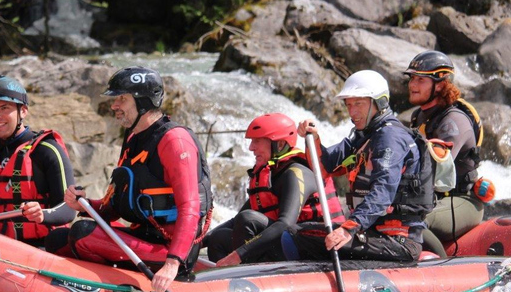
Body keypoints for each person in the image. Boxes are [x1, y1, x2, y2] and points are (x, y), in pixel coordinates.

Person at [46, 66, 213, 292]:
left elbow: (190, 208)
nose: (114, 106)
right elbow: (115, 206)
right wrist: (85, 205)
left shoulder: (174, 141)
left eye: (121, 99)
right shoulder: (134, 138)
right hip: (142, 238)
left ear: (142, 102)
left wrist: (173, 263)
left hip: (169, 250)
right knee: (57, 238)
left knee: (82, 233)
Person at [284, 70, 433, 263]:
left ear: (379, 103)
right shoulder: (362, 136)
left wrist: (349, 228)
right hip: (371, 232)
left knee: (297, 238)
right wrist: (314, 139)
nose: (352, 112)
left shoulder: (390, 138)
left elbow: (383, 191)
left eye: (359, 104)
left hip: (397, 240)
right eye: (348, 105)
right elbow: (323, 169)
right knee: (295, 231)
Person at [204, 113, 345, 266]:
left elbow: (285, 223)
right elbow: (235, 221)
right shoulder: (271, 172)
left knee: (248, 220)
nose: (251, 147)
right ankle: (227, 280)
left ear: (279, 144)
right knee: (218, 238)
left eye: (257, 141)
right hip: (291, 242)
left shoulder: (296, 172)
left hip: (315, 245)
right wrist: (199, 242)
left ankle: (248, 276)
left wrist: (238, 255)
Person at [0, 74, 76, 247]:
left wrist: (43, 214)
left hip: (41, 249)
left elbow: (69, 208)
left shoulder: (47, 151)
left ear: (23, 110)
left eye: (4, 108)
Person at [405, 50, 487, 255]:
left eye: (420, 80)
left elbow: (436, 171)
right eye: (412, 78)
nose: (412, 85)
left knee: (417, 220)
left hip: (461, 199)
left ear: (440, 84)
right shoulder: (419, 116)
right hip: (431, 197)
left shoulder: (454, 121)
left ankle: (441, 266)